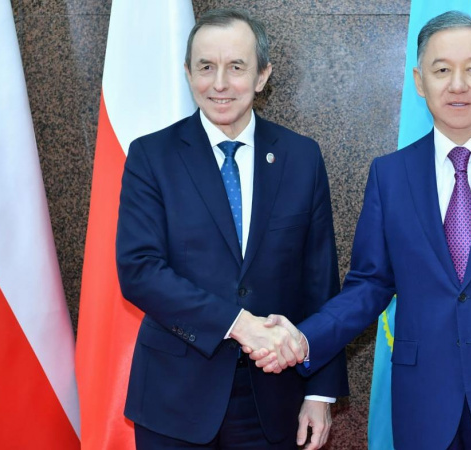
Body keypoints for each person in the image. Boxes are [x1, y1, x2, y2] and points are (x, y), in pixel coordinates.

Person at [250, 11, 471, 450]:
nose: (457, 85)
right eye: (442, 70)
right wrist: (303, 337)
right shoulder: (391, 175)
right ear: (419, 81)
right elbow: (369, 284)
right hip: (425, 403)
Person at [115, 8, 348, 449]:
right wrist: (239, 324)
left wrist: (320, 392)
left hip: (274, 398)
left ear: (262, 76)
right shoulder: (151, 157)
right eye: (206, 67)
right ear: (188, 73)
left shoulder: (301, 158)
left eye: (236, 67)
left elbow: (320, 280)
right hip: (175, 398)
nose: (219, 83)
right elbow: (139, 271)